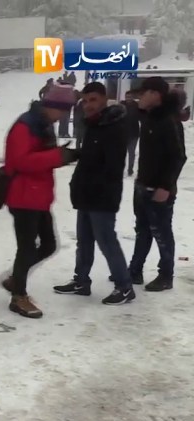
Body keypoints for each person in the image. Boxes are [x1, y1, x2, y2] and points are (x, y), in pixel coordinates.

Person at [0, 84, 79, 319]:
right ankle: (18, 297)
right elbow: (20, 161)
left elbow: (40, 156)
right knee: (26, 247)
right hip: (23, 196)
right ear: (53, 106)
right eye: (64, 111)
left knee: (48, 245)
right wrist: (58, 156)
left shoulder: (43, 125)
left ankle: (16, 279)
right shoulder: (26, 125)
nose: (64, 116)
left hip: (38, 196)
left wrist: (63, 155)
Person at [52, 82, 135, 305]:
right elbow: (91, 157)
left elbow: (111, 167)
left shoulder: (113, 127)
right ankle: (81, 281)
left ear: (104, 99)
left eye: (94, 100)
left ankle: (124, 286)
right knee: (84, 241)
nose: (88, 105)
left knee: (107, 242)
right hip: (87, 195)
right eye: (86, 101)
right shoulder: (95, 124)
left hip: (102, 197)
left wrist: (92, 184)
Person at [127, 77, 187, 291]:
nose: (139, 97)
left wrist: (165, 186)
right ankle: (134, 270)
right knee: (142, 230)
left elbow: (178, 157)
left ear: (155, 95)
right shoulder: (151, 117)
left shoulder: (168, 121)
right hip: (143, 185)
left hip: (160, 190)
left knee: (162, 232)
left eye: (143, 93)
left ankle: (166, 275)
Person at [121, 90, 142, 176]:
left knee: (131, 153)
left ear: (132, 97)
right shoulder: (122, 105)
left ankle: (130, 169)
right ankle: (121, 168)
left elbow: (141, 117)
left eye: (130, 97)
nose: (128, 99)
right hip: (123, 133)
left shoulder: (137, 106)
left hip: (134, 133)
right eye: (127, 97)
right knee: (122, 153)